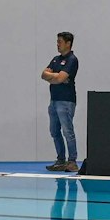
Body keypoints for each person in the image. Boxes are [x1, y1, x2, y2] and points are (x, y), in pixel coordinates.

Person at [41, 32, 80, 172]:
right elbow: (43, 74)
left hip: (66, 101)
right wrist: (56, 76)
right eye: (57, 41)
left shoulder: (72, 60)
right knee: (54, 131)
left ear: (68, 43)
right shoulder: (56, 59)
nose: (57, 44)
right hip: (54, 100)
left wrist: (54, 77)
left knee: (67, 131)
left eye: (60, 42)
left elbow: (59, 79)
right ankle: (61, 160)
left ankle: (72, 161)